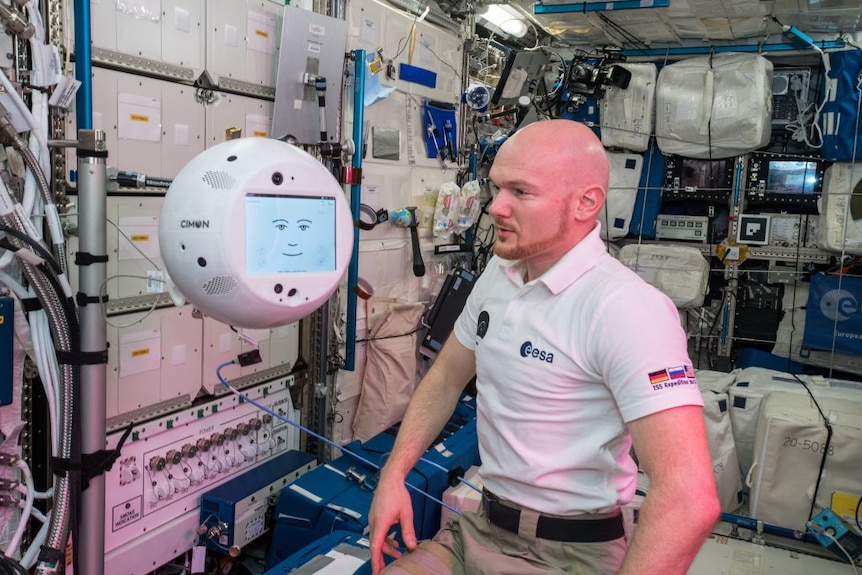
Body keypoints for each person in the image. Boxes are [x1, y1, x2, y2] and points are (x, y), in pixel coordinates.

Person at [367, 119, 720, 575]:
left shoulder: (627, 309)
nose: (496, 208)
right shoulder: (499, 273)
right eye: (496, 189)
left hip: (570, 553)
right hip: (479, 528)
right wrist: (393, 476)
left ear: (586, 203)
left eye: (521, 192)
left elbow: (689, 498)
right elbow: (446, 377)